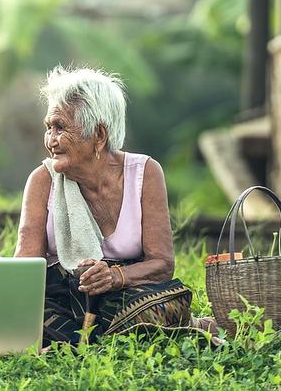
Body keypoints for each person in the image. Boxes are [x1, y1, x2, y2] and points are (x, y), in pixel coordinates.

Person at [15, 66, 209, 345]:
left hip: (125, 295)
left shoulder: (145, 173)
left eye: (60, 127)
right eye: (49, 128)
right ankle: (97, 341)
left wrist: (115, 276)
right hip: (63, 299)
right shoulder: (42, 180)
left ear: (99, 134)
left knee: (155, 308)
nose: (51, 140)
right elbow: (25, 272)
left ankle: (77, 343)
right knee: (26, 316)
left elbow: (162, 264)